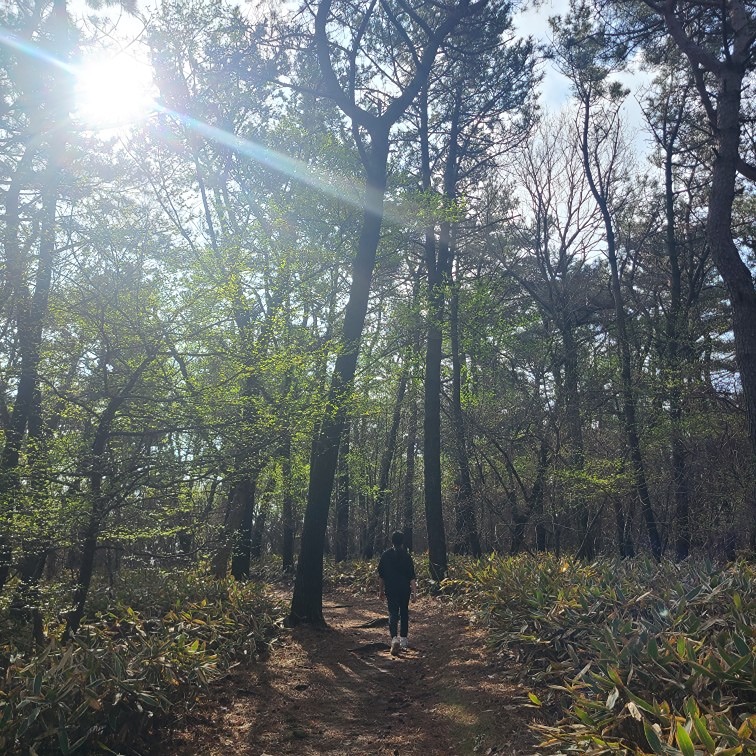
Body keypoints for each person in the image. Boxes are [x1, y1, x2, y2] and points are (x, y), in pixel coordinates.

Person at [377, 531, 417, 655]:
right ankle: (404, 639)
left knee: (393, 613)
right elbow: (412, 577)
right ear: (402, 541)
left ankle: (394, 638)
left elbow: (381, 576)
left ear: (392, 541)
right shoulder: (407, 556)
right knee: (404, 611)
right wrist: (414, 593)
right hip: (404, 589)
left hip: (391, 589)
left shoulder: (385, 555)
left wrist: (381, 591)